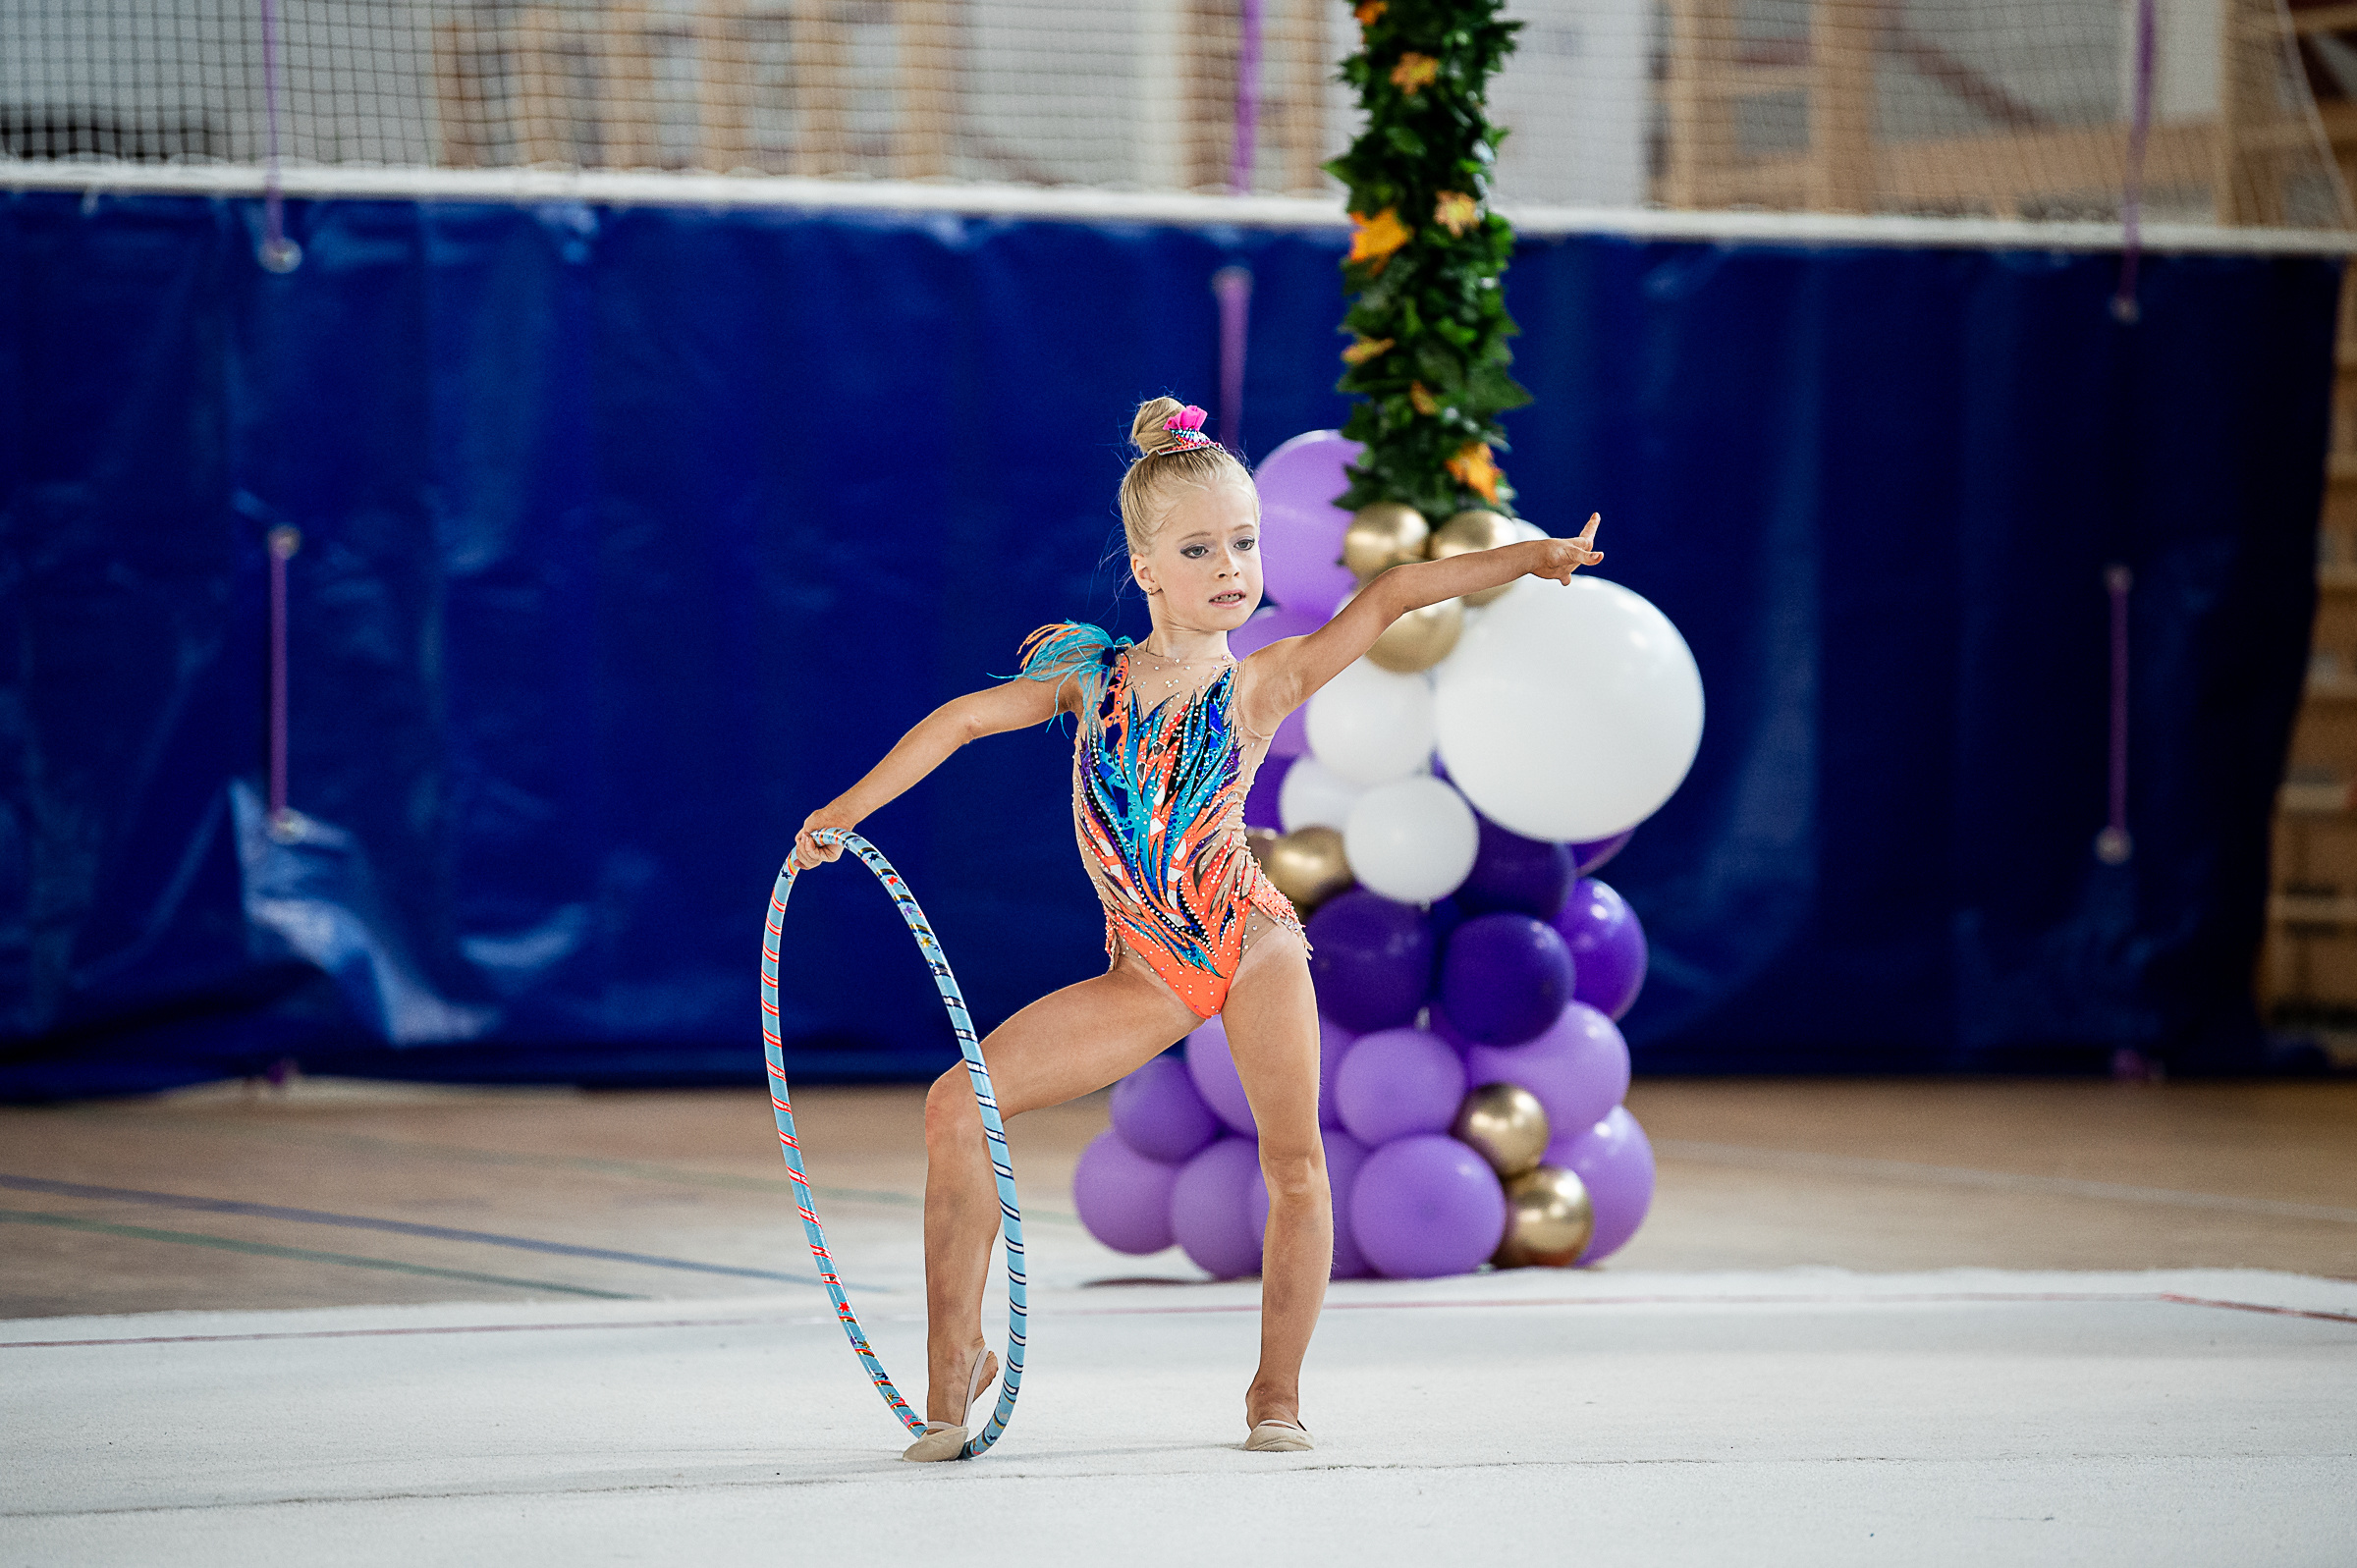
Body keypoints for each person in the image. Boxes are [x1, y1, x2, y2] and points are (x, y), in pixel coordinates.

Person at [790, 396, 1603, 1460]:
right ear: (1145, 569)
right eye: (1200, 547)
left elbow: (1397, 591)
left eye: (1247, 542)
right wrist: (844, 814)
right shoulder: (1087, 680)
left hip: (1251, 942)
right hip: (1149, 970)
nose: (1231, 566)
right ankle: (955, 1371)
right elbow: (959, 720)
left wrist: (1530, 556)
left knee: (1296, 1163)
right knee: (957, 1103)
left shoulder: (1262, 682)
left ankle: (1276, 1390)